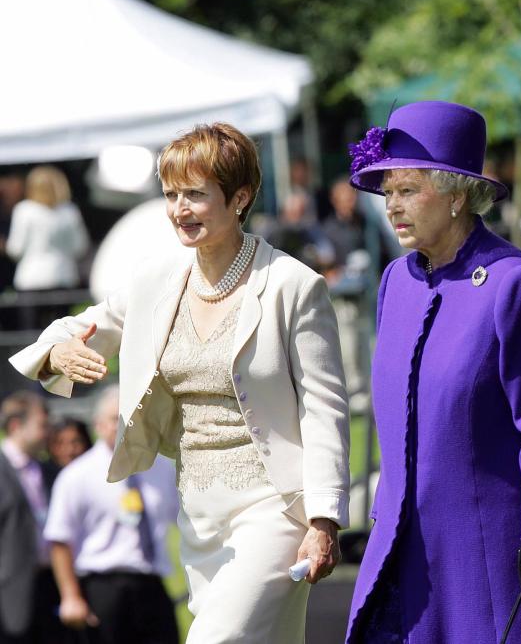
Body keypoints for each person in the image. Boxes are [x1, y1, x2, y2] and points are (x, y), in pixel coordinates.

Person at [9, 122, 351, 643]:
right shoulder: (156, 280)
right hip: (198, 514)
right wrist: (59, 349)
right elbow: (81, 326)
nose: (179, 209)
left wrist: (324, 519)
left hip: (275, 510)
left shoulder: (293, 286)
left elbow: (325, 409)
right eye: (171, 194)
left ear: (240, 197)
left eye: (195, 194)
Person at [344, 101, 521, 643]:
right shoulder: (395, 282)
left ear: (457, 194)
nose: (392, 207)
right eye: (388, 193)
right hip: (405, 549)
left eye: (408, 191)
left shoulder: (513, 284)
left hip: (488, 551)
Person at [45, 385, 179, 644]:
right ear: (98, 425)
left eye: (131, 417)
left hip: (151, 584)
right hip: (101, 587)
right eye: (114, 419)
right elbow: (59, 539)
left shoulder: (161, 469)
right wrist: (71, 596)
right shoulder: (77, 475)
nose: (124, 425)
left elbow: (185, 523)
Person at [0, 391, 63, 644]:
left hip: (52, 586)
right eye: (42, 425)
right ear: (16, 425)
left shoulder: (49, 471)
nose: (48, 432)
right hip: (10, 591)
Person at [6, 165, 89, 293]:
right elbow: (80, 247)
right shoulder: (69, 211)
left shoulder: (24, 210)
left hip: (30, 278)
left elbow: (16, 249)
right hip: (64, 276)